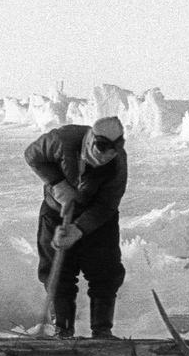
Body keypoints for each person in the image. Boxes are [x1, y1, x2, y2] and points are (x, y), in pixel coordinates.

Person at [25, 116, 127, 339]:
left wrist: (78, 230)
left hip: (98, 217)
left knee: (105, 272)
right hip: (56, 213)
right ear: (91, 140)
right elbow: (32, 155)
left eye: (115, 148)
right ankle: (63, 328)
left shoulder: (117, 163)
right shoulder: (62, 140)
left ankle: (102, 330)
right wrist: (57, 183)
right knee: (57, 271)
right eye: (103, 147)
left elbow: (108, 203)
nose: (109, 153)